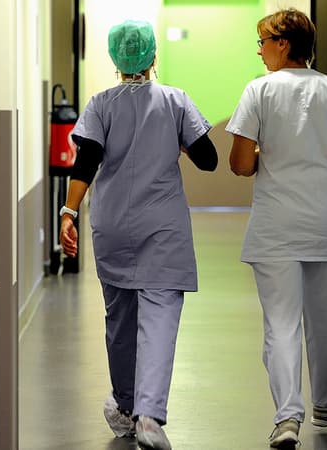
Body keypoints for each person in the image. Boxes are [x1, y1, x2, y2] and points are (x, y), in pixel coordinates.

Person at [59, 19, 217, 450]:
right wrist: (178, 140)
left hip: (111, 224)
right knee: (160, 318)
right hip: (162, 225)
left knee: (120, 320)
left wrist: (68, 212)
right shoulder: (174, 101)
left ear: (115, 60)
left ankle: (126, 408)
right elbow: (208, 159)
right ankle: (149, 415)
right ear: (152, 57)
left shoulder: (100, 104)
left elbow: (86, 161)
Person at [226, 8, 327, 448]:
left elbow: (239, 164)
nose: (259, 51)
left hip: (275, 228)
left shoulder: (258, 92)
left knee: (281, 325)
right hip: (325, 225)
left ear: (284, 44)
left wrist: (263, 156)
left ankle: (287, 417)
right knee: (324, 322)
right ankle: (326, 399)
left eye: (263, 42)